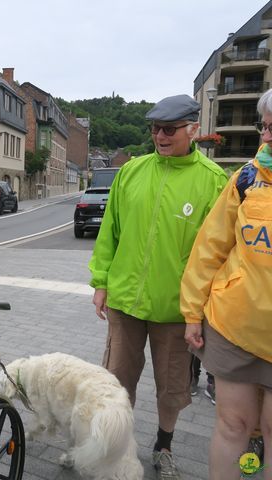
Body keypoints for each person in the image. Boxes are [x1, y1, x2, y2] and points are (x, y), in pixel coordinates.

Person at [88, 94, 228, 479]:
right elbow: (109, 233)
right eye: (154, 129)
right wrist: (100, 282)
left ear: (193, 130)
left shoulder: (214, 183)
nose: (160, 136)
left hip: (176, 311)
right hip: (125, 303)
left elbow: (217, 254)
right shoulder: (132, 172)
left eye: (169, 129)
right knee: (117, 382)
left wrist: (200, 310)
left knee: (172, 388)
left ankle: (163, 446)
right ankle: (119, 446)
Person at [180, 88, 272, 480]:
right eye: (265, 126)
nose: (266, 137)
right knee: (234, 425)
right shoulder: (247, 178)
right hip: (235, 326)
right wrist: (192, 314)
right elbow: (209, 248)